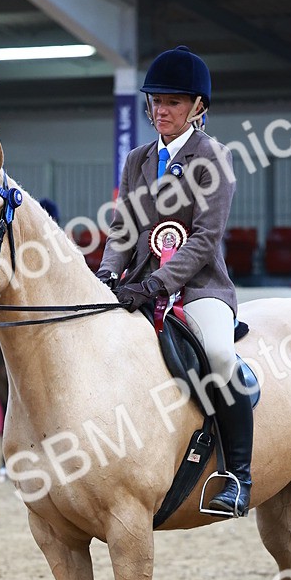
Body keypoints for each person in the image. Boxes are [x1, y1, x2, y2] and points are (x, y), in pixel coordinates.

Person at [96, 45, 251, 516]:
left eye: (173, 103)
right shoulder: (139, 159)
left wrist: (158, 283)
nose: (161, 111)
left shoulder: (214, 158)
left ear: (197, 107)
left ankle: (237, 475)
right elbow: (124, 227)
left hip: (199, 286)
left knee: (221, 355)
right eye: (156, 101)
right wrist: (107, 272)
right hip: (138, 282)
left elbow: (205, 240)